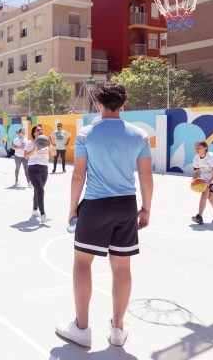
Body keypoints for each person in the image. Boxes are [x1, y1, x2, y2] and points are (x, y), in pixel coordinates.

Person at [56, 83, 153, 348]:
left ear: (98, 103)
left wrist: (72, 208)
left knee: (82, 262)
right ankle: (118, 329)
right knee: (122, 267)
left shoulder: (86, 134)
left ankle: (82, 328)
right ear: (124, 104)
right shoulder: (140, 135)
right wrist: (146, 208)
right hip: (126, 205)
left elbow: (78, 175)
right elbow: (146, 176)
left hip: (96, 205)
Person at [24, 126, 55, 223]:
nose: (41, 131)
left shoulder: (46, 142)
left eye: (41, 129)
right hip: (33, 169)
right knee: (41, 191)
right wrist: (34, 148)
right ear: (34, 133)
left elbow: (54, 154)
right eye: (38, 130)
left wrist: (50, 145)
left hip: (44, 169)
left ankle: (34, 210)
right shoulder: (29, 143)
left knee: (37, 191)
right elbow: (26, 156)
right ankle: (43, 215)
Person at [191, 141, 213, 225]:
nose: (197, 150)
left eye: (199, 148)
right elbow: (196, 172)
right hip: (205, 179)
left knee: (211, 198)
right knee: (204, 195)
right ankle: (199, 216)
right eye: (195, 148)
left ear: (205, 148)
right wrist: (193, 181)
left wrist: (210, 182)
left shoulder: (212, 157)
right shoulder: (196, 159)